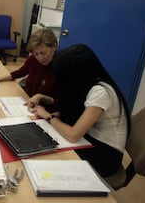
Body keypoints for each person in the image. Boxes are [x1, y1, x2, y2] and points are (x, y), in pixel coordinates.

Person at [30, 44, 131, 177]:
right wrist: (54, 112)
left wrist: (49, 117)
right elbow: (78, 112)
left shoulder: (101, 92)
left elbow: (73, 135)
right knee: (44, 144)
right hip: (90, 139)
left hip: (106, 154)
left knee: (47, 157)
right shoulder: (87, 84)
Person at [0, 29, 59, 110]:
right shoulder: (33, 60)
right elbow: (20, 72)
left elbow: (61, 101)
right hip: (29, 104)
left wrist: (42, 97)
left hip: (47, 111)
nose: (40, 58)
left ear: (54, 46)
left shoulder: (62, 66)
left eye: (43, 53)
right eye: (36, 54)